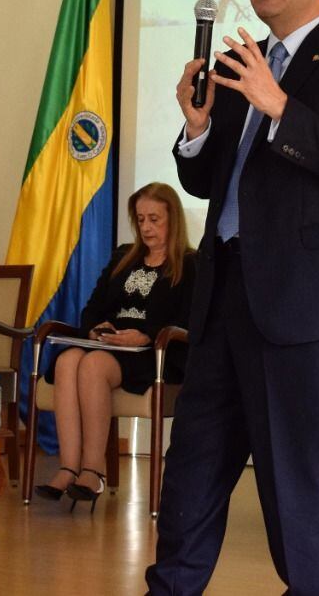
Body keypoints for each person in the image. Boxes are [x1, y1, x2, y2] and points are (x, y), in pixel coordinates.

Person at [145, 0, 319, 595]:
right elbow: (206, 181)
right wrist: (197, 129)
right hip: (223, 293)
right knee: (194, 460)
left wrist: (281, 106)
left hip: (300, 302)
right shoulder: (237, 65)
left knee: (296, 474)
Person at [35, 182, 196, 510]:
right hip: (109, 343)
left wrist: (146, 334)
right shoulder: (124, 256)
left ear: (173, 220)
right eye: (140, 219)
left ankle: (93, 472)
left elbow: (188, 318)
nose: (146, 227)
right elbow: (94, 306)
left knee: (92, 365)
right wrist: (96, 329)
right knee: (67, 361)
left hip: (154, 352)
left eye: (155, 219)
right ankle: (68, 468)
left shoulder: (190, 264)